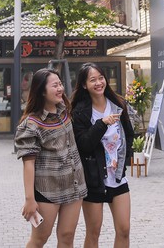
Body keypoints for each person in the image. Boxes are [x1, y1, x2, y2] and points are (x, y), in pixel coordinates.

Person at [15, 68, 87, 248]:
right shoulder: (31, 124)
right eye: (55, 85)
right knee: (40, 239)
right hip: (47, 191)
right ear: (41, 90)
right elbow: (28, 164)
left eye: (60, 84)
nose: (60, 88)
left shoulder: (65, 111)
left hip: (74, 186)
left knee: (67, 236)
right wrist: (29, 199)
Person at [70, 63, 134, 248]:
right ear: (84, 85)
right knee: (94, 232)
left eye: (101, 78)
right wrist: (102, 123)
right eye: (93, 80)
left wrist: (124, 159)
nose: (98, 83)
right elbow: (84, 144)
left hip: (118, 178)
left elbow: (129, 135)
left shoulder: (118, 105)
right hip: (93, 179)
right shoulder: (80, 112)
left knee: (124, 229)